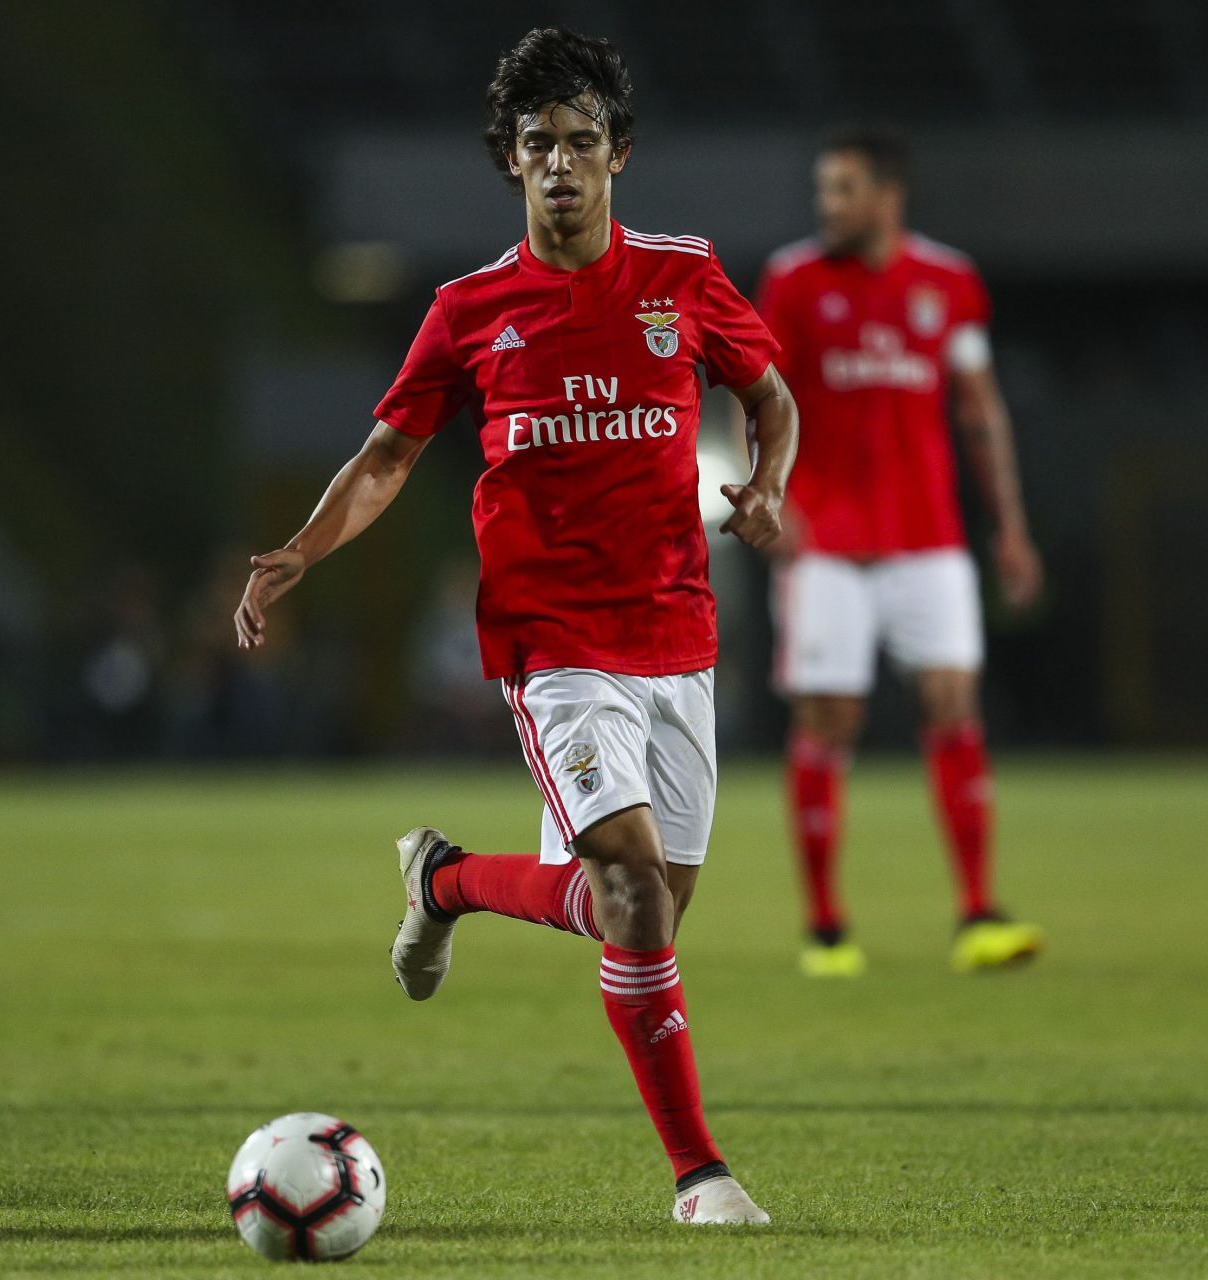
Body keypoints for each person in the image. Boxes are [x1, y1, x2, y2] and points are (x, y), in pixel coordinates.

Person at [234, 27, 797, 1226]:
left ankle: (444, 879)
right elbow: (389, 455)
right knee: (635, 893)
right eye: (537, 144)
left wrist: (769, 481)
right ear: (511, 162)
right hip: (551, 642)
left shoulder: (684, 278)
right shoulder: (468, 309)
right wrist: (306, 548)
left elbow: (770, 392)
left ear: (619, 155)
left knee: (628, 909)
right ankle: (702, 1174)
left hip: (678, 636)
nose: (559, 165)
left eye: (581, 143)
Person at [755, 126, 1044, 979]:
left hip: (930, 539)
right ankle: (826, 927)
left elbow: (981, 409)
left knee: (955, 701)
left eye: (843, 190)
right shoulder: (795, 280)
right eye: (825, 192)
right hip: (828, 544)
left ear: (888, 195)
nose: (829, 206)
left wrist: (1012, 526)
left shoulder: (947, 282)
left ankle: (979, 912)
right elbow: (760, 393)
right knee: (829, 717)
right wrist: (774, 498)